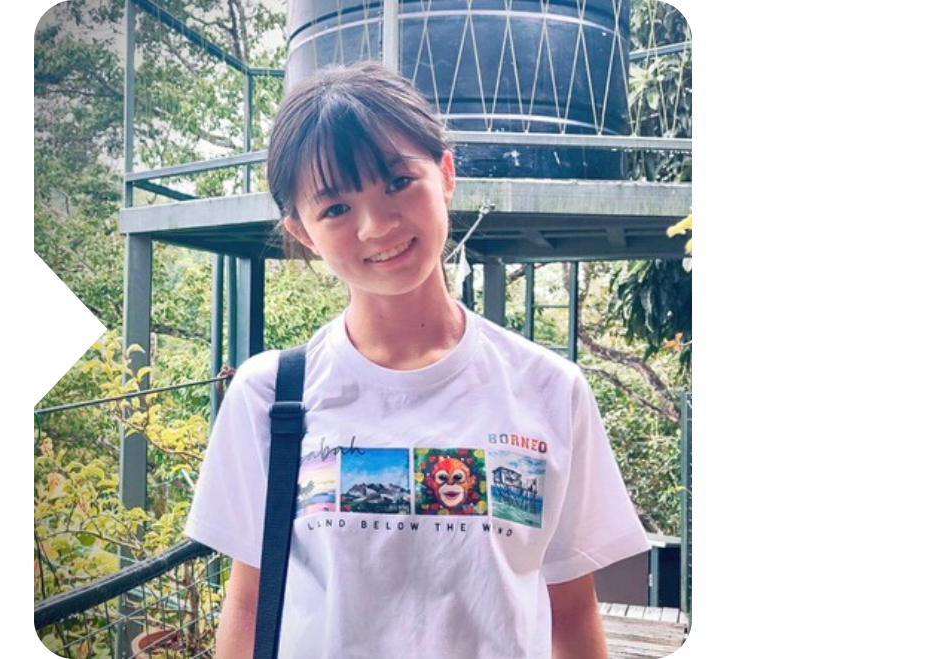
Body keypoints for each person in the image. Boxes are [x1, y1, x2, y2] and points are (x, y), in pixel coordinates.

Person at [184, 60, 650, 659]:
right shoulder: (270, 396)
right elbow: (249, 604)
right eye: (335, 209)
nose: (376, 226)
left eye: (398, 182)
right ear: (302, 232)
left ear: (446, 175)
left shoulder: (549, 389)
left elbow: (573, 612)